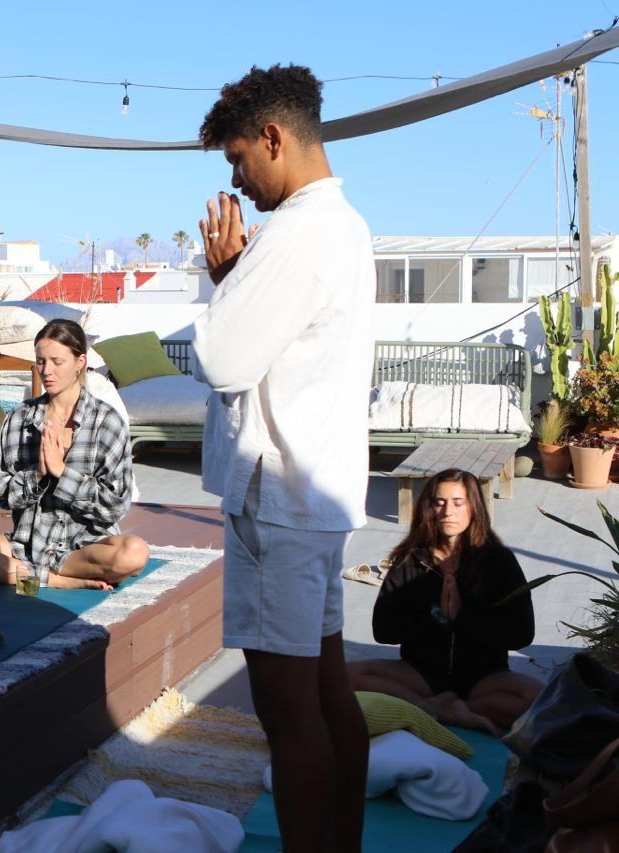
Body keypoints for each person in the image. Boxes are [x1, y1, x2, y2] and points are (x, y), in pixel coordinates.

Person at [193, 65, 373, 851]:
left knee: (288, 713)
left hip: (279, 500)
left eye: (238, 159)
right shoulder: (346, 224)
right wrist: (242, 277)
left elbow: (222, 357)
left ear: (273, 137)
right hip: (318, 496)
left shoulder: (297, 233)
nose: (238, 179)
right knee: (330, 696)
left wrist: (226, 280)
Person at [0, 319, 149, 589]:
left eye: (57, 361)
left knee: (134, 552)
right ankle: (54, 580)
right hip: (27, 544)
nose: (47, 371)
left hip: (83, 548)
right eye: (40, 361)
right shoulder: (20, 418)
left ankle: (23, 574)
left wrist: (62, 473)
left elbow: (115, 506)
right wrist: (38, 474)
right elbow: (2, 494)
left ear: (79, 362)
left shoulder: (107, 422)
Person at [348, 469, 540, 734]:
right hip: (420, 675)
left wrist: (462, 618)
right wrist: (435, 617)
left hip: (483, 677)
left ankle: (458, 709)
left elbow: (521, 634)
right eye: (440, 502)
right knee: (346, 676)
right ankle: (433, 707)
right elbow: (383, 630)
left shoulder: (498, 561)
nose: (448, 511)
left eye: (458, 503)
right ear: (429, 507)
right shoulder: (411, 560)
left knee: (538, 698)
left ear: (474, 507)